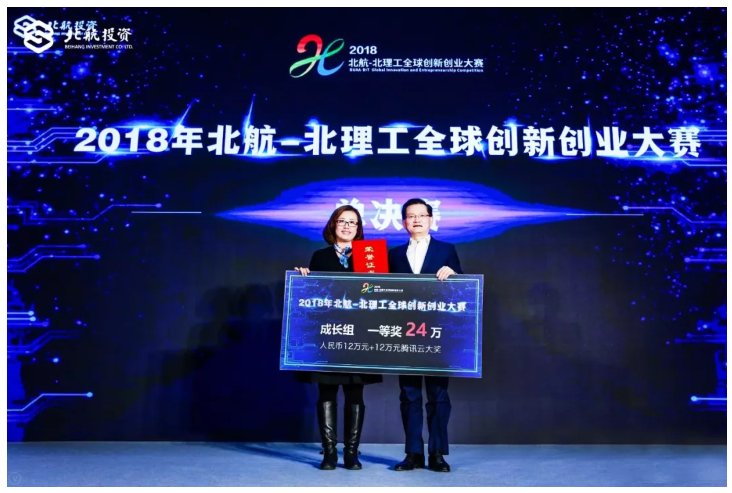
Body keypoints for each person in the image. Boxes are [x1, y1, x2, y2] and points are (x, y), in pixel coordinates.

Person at [294, 205, 383, 471]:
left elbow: (377, 292)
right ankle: (330, 452)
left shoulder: (370, 255)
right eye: (342, 221)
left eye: (352, 222)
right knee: (327, 391)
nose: (347, 226)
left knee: (355, 392)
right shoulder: (320, 256)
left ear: (359, 228)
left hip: (360, 334)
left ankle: (351, 453)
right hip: (329, 335)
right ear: (333, 225)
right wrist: (304, 279)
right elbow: (314, 296)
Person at [387, 198, 463, 473]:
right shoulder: (393, 254)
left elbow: (462, 290)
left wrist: (454, 274)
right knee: (409, 395)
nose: (417, 220)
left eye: (422, 215)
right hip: (404, 334)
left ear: (431, 219)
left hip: (437, 333)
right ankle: (413, 453)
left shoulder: (446, 250)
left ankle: (437, 453)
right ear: (403, 222)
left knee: (438, 395)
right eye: (411, 216)